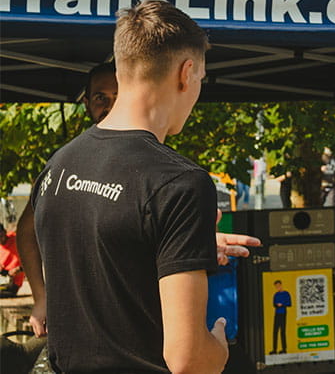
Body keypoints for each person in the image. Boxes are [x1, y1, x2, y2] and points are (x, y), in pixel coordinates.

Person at [30, 1, 229, 373]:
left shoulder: (58, 165)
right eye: (201, 78)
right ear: (186, 74)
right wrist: (218, 345)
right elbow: (188, 360)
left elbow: (102, 244)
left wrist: (178, 246)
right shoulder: (180, 182)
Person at [17, 62, 261, 339]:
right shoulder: (61, 164)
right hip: (85, 338)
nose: (109, 105)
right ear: (85, 102)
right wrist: (41, 295)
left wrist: (186, 243)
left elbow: (134, 234)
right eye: (100, 98)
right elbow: (28, 232)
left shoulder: (158, 166)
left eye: (117, 97)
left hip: (136, 332)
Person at [0, 225, 24, 298]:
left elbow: (32, 260)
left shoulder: (17, 240)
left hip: (13, 283)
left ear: (4, 232)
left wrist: (18, 269)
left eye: (0, 236)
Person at [269, 280, 292, 354]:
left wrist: (282, 305)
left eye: (278, 286)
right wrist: (277, 305)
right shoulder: (276, 295)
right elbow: (274, 304)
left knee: (282, 331)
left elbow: (289, 304)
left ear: (281, 285)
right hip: (277, 313)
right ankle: (274, 349)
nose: (277, 287)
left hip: (283, 313)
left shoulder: (286, 294)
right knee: (275, 331)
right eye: (276, 286)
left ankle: (284, 349)